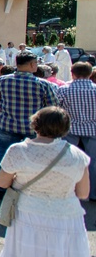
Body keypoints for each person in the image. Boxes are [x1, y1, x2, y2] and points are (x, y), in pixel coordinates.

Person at [0, 107, 95, 257]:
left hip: (29, 213)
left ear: (35, 124)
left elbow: (2, 182)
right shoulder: (77, 155)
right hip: (66, 216)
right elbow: (83, 192)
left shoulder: (19, 151)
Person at [0, 50, 59, 197]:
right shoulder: (42, 84)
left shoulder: (3, 80)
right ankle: (29, 186)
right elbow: (52, 106)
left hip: (8, 125)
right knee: (33, 157)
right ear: (32, 65)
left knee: (4, 155)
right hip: (32, 128)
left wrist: (4, 111)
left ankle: (2, 186)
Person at [57, 61, 96, 201]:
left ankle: (69, 189)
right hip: (93, 128)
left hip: (70, 128)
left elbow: (57, 108)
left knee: (68, 160)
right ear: (90, 73)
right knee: (93, 162)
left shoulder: (64, 89)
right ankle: (92, 192)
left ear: (72, 74)